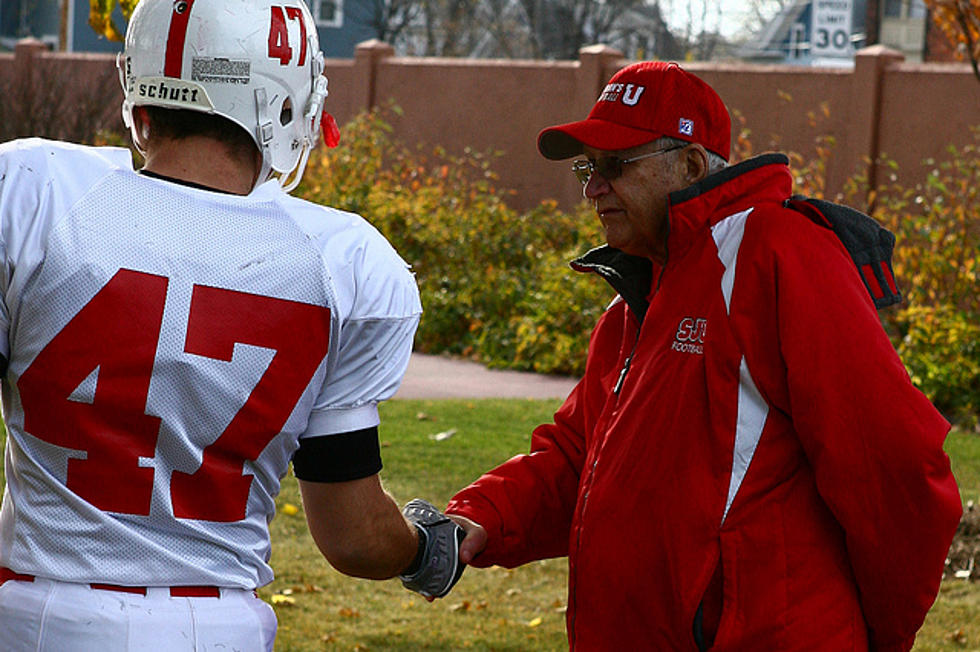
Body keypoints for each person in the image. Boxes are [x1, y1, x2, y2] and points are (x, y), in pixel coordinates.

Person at [442, 61, 962, 651]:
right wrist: (474, 520)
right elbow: (574, 458)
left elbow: (895, 465)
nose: (592, 187)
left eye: (616, 166)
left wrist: (884, 635)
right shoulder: (636, 302)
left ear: (689, 164)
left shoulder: (775, 250)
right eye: (589, 168)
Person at [0, 1, 461, 649]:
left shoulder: (31, 188)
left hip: (41, 616)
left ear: (138, 84)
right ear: (285, 97)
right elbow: (355, 538)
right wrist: (422, 549)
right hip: (216, 625)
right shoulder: (344, 260)